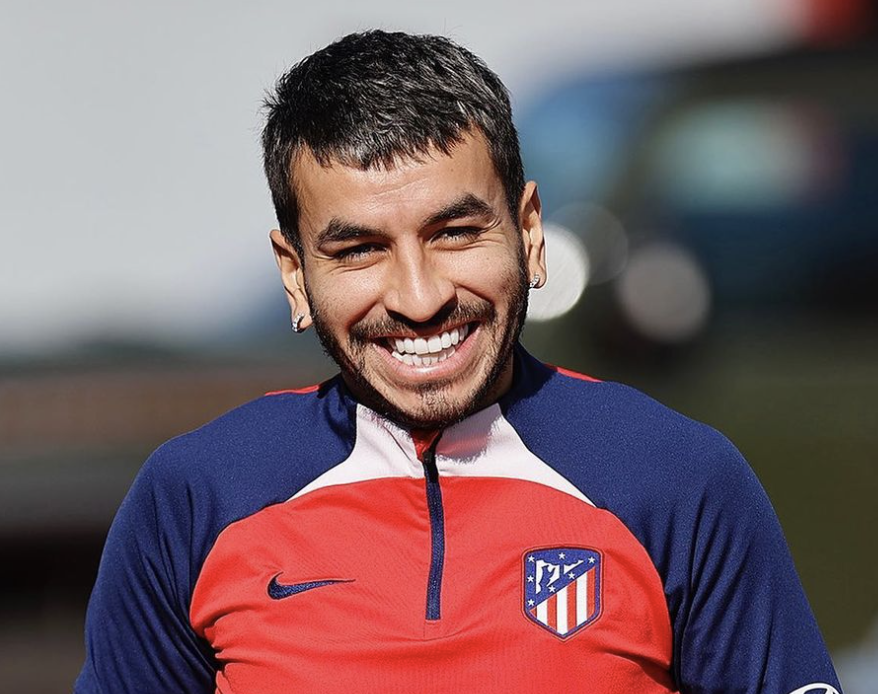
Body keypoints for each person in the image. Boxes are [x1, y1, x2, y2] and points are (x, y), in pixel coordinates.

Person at [75, 30, 842, 694]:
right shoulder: (196, 500)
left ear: (529, 231)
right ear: (293, 274)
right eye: (359, 250)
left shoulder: (677, 479)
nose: (417, 297)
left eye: (454, 233)